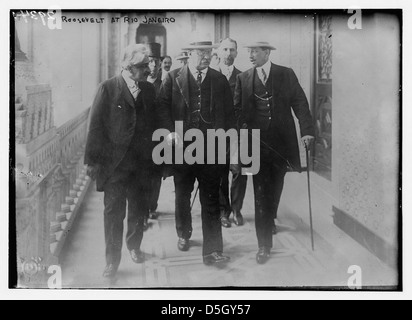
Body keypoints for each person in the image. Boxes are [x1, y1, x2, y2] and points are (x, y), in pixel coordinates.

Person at [234, 41, 315, 264]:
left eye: (255, 51)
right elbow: (237, 110)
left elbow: (300, 104)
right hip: (255, 145)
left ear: (266, 53)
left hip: (281, 143)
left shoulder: (285, 74)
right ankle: (263, 245)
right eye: (249, 51)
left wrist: (307, 131)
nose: (250, 55)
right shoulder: (244, 79)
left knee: (276, 186)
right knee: (260, 192)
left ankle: (269, 218)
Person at [157, 40, 235, 266]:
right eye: (201, 53)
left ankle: (213, 251)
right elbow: (161, 108)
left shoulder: (219, 80)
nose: (205, 57)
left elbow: (229, 116)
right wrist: (170, 133)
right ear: (189, 54)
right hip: (182, 149)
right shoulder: (172, 78)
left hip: (211, 149)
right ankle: (183, 233)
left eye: (208, 53)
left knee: (211, 198)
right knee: (182, 194)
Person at [84, 44, 157, 278]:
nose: (148, 69)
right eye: (143, 65)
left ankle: (134, 247)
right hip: (114, 165)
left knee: (138, 209)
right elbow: (95, 126)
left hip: (141, 164)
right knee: (113, 214)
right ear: (128, 66)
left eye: (148, 64)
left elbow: (155, 126)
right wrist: (92, 161)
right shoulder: (107, 88)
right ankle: (112, 261)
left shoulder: (149, 89)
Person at [215, 38, 245, 229]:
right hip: (215, 134)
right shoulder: (210, 76)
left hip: (237, 134)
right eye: (225, 49)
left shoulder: (243, 77)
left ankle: (236, 209)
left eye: (232, 49)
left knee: (238, 171)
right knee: (218, 173)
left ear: (236, 53)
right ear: (218, 52)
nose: (228, 53)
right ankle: (222, 211)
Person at [146, 43, 164, 222]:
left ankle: (152, 206)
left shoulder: (165, 84)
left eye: (156, 62)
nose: (153, 66)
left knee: (156, 175)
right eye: (150, 62)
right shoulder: (139, 85)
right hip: (142, 139)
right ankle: (143, 209)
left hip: (159, 139)